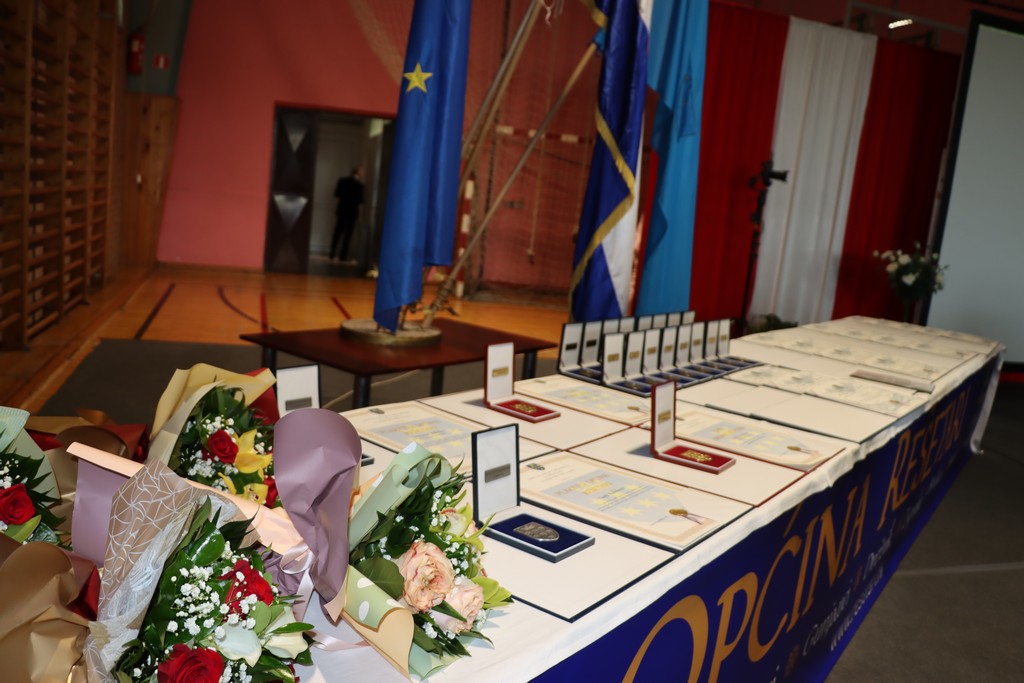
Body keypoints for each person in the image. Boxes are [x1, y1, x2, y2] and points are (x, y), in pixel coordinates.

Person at [330, 167, 364, 262]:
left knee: (338, 232)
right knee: (348, 235)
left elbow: (337, 194)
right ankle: (343, 255)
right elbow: (360, 200)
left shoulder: (342, 181)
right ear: (358, 174)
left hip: (342, 210)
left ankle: (332, 252)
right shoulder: (360, 185)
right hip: (352, 212)